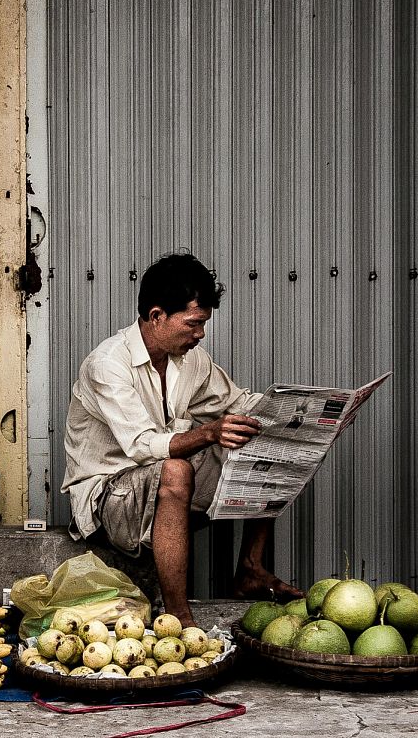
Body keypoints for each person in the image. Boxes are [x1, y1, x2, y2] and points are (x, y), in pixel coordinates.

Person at [61, 252, 302, 626]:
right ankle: (179, 615)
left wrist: (304, 413)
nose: (200, 334)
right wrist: (208, 432)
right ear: (157, 316)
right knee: (175, 470)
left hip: (159, 486)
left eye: (203, 324)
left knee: (258, 439)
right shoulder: (107, 363)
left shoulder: (192, 359)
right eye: (193, 323)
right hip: (108, 498)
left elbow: (239, 403)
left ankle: (251, 569)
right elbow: (142, 446)